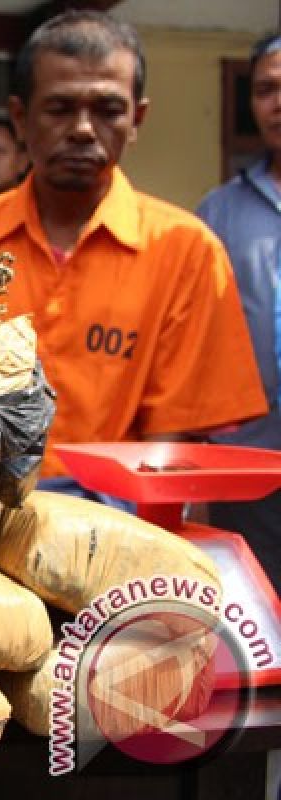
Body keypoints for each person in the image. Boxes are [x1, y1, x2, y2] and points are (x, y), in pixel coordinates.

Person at [0, 10, 267, 492]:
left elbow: (174, 437)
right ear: (21, 118)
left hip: (122, 511)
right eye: (60, 108)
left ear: (137, 119)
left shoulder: (185, 250)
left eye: (108, 110)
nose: (84, 129)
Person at [196, 31, 281, 585]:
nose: (279, 101)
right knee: (257, 621)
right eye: (266, 89)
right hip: (246, 464)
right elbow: (194, 341)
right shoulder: (217, 211)